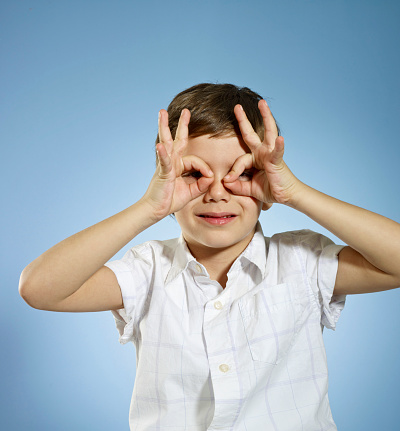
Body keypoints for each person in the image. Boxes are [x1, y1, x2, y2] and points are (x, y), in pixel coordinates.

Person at [19, 83, 400, 430]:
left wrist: (296, 193)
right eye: (193, 173)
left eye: (244, 172)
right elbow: (40, 289)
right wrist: (148, 208)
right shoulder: (147, 271)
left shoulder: (303, 261)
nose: (218, 193)